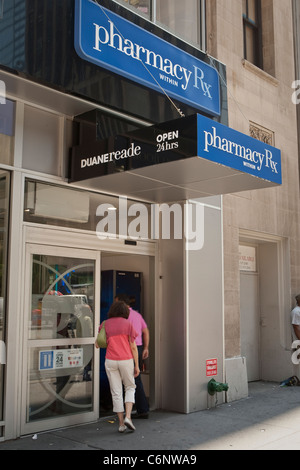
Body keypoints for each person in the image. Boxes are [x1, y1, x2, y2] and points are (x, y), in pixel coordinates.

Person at [95, 300, 139, 433]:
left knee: (116, 392)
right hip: (126, 360)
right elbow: (133, 346)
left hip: (110, 360)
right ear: (125, 312)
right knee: (130, 387)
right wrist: (137, 365)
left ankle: (121, 424)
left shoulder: (105, 324)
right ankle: (128, 417)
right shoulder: (128, 324)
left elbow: (98, 344)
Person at [116, 293, 150, 419]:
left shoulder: (122, 316)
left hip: (129, 349)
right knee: (135, 378)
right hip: (139, 348)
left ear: (122, 304)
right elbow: (145, 331)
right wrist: (146, 348)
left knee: (132, 380)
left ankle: (141, 409)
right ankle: (139, 408)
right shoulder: (137, 315)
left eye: (116, 302)